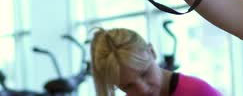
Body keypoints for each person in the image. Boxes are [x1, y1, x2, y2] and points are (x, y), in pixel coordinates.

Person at [90, 27, 223, 96]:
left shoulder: (199, 92)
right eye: (128, 86)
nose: (143, 90)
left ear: (152, 51)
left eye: (144, 73)